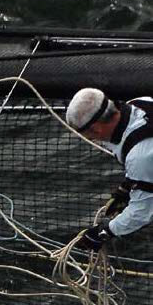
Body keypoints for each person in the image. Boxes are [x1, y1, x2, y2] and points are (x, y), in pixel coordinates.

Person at [65, 89, 152, 250]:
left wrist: (104, 232)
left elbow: (142, 212)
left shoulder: (138, 156)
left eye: (89, 136)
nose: (92, 140)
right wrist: (128, 186)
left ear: (96, 129)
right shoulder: (141, 102)